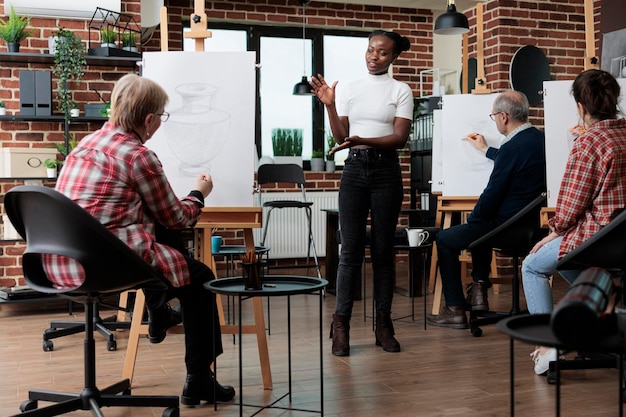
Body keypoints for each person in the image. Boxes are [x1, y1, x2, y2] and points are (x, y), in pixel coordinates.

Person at [51, 73, 235, 406]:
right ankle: (198, 379)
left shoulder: (84, 145)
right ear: (148, 120)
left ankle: (159, 308)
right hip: (104, 265)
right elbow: (178, 218)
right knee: (203, 280)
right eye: (161, 118)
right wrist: (199, 193)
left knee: (154, 224)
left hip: (59, 261)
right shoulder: (138, 156)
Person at [310, 29, 413, 356]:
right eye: (370, 50)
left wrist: (362, 140)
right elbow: (342, 136)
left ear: (393, 57)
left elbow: (399, 139)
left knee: (383, 250)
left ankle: (383, 324)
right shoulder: (350, 88)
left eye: (382, 53)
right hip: (354, 170)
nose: (374, 56)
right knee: (350, 250)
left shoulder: (401, 90)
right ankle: (341, 325)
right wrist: (330, 106)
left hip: (386, 171)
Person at [521, 69, 626, 376]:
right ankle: (595, 318)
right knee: (571, 264)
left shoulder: (589, 143)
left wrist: (553, 232)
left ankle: (548, 345)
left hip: (598, 237)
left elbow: (571, 206)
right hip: (620, 237)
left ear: (581, 106)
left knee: (533, 265)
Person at [426, 90, 546, 329]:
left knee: (446, 239)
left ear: (503, 116)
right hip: (532, 226)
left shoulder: (512, 147)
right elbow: (514, 161)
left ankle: (455, 310)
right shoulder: (541, 140)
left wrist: (474, 219)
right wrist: (485, 150)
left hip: (507, 228)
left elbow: (493, 192)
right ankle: (479, 291)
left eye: (493, 116)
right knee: (481, 226)